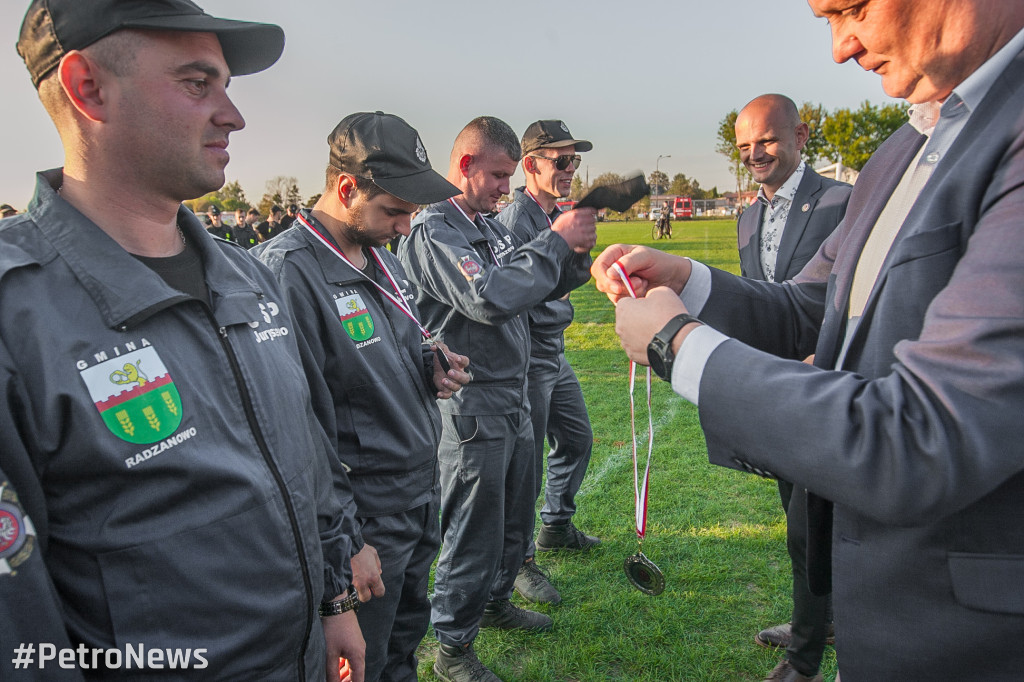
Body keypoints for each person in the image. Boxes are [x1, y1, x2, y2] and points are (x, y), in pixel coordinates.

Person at [593, 1, 1024, 680]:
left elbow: (926, 432)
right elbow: (811, 307)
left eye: (851, 8)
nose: (840, 48)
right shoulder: (903, 149)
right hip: (884, 609)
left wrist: (679, 345)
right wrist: (689, 279)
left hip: (973, 641)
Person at [1, 1, 377, 680]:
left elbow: (298, 455)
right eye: (198, 84)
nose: (233, 115)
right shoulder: (15, 312)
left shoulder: (245, 276)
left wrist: (331, 599)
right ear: (89, 88)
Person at [255, 111, 471, 682]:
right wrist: (346, 546)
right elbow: (298, 430)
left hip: (417, 495)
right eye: (395, 210)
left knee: (404, 645)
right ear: (347, 188)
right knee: (363, 664)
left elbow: (385, 350)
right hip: (368, 519)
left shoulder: (379, 255)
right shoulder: (287, 274)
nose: (406, 227)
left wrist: (429, 365)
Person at [398, 116, 597, 682]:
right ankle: (453, 647)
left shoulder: (486, 224)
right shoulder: (437, 229)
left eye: (510, 177)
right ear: (464, 165)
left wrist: (574, 254)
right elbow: (488, 298)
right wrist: (553, 242)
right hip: (473, 405)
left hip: (512, 394)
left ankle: (496, 602)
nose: (504, 189)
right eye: (497, 176)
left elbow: (532, 285)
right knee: (473, 527)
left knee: (514, 511)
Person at [733, 93, 851, 682]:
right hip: (775, 387)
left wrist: (823, 355)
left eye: (767, 140)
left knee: (816, 520)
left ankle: (805, 654)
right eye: (744, 146)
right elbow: (762, 301)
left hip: (828, 385)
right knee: (796, 514)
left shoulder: (842, 201)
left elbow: (856, 298)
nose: (755, 154)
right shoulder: (747, 214)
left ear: (802, 136)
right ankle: (822, 619)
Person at [495, 120, 599, 608]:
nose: (570, 169)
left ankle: (555, 526)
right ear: (531, 164)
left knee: (577, 438)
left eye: (574, 161)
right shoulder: (517, 219)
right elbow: (521, 292)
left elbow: (557, 281)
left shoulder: (554, 212)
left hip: (553, 351)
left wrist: (585, 256)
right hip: (531, 354)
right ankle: (518, 564)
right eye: (562, 160)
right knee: (526, 466)